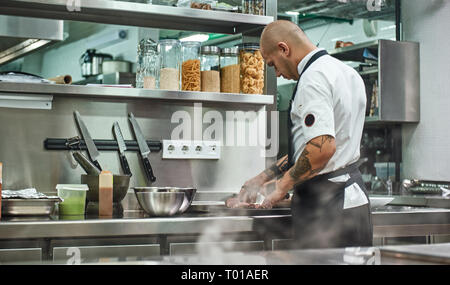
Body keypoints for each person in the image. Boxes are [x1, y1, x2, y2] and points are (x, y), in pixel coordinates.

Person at [234, 20, 373, 249]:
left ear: (284, 49)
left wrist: (281, 187)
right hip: (350, 201)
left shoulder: (313, 79)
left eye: (273, 64)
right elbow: (310, 148)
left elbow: (322, 148)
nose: (277, 74)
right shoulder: (345, 72)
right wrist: (264, 177)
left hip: (328, 208)